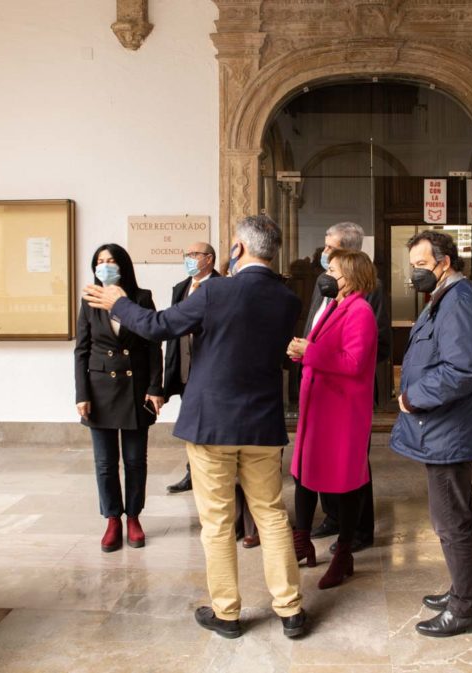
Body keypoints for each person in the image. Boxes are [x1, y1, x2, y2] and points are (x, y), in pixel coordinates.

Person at [82, 214, 307, 640]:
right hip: (261, 424)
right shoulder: (287, 299)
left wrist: (118, 303)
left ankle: (227, 613)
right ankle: (290, 609)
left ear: (237, 248)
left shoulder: (215, 291)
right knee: (273, 516)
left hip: (212, 424)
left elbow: (158, 325)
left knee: (218, 521)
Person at [391, 230, 472, 638]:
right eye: (412, 266)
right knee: (458, 514)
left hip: (446, 428)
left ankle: (465, 609)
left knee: (450, 521)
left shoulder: (459, 301)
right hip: (443, 428)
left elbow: (462, 369)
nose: (415, 273)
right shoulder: (445, 298)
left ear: (444, 262)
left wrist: (413, 398)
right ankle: (466, 591)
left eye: (420, 265)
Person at [287, 250, 378, 589]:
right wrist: (302, 349)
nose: (328, 272)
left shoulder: (361, 311)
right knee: (304, 474)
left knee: (346, 481)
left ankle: (343, 554)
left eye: (335, 268)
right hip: (319, 406)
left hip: (342, 412)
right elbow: (322, 347)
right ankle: (302, 541)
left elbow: (353, 362)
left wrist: (308, 352)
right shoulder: (337, 305)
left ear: (352, 275)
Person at [299, 222, 390, 553]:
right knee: (323, 460)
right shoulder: (326, 285)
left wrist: (320, 354)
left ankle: (360, 530)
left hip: (347, 388)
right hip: (321, 380)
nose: (324, 254)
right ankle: (334, 518)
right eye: (325, 247)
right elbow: (315, 323)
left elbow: (376, 341)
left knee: (352, 464)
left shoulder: (369, 290)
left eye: (331, 249)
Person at [74, 243, 165, 553]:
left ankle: (134, 517)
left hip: (135, 388)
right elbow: (81, 350)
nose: (105, 266)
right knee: (105, 463)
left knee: (136, 460)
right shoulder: (89, 299)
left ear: (123, 265)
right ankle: (113, 518)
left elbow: (154, 345)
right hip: (99, 390)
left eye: (111, 260)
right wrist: (81, 394)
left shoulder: (140, 298)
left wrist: (156, 387)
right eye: (100, 261)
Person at [163, 241, 220, 495]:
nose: (188, 258)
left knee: (210, 425)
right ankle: (192, 473)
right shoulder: (181, 288)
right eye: (186, 253)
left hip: (211, 370)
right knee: (190, 424)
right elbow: (173, 330)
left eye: (194, 254)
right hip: (187, 369)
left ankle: (212, 473)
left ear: (209, 259)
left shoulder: (221, 286)